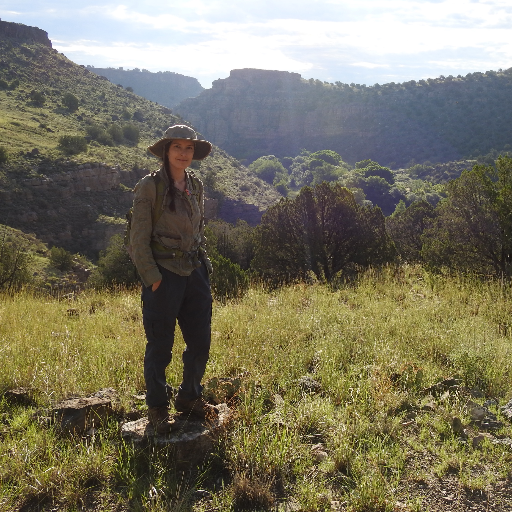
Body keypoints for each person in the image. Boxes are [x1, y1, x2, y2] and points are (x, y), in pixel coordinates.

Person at [129, 124, 216, 434]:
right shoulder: (149, 187)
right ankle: (157, 407)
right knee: (160, 344)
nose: (183, 153)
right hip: (164, 275)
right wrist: (152, 277)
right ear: (166, 151)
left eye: (189, 148)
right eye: (177, 147)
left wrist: (203, 269)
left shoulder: (197, 185)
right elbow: (137, 238)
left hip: (194, 273)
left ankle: (190, 397)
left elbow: (197, 230)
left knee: (200, 341)